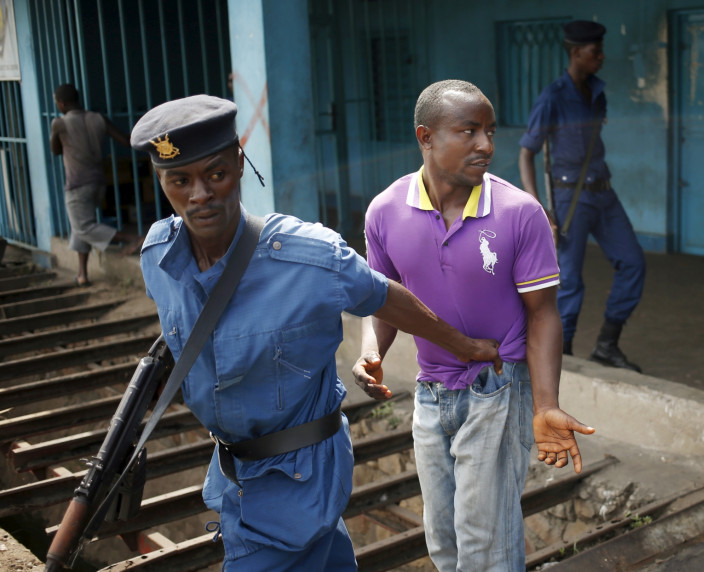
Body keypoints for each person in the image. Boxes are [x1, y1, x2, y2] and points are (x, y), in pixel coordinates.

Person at [130, 94, 502, 571]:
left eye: (216, 175)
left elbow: (386, 296)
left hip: (301, 477)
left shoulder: (307, 256)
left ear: (240, 164)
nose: (200, 194)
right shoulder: (158, 256)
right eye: (180, 181)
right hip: (233, 475)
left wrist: (465, 346)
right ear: (162, 182)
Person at [352, 80, 595, 572]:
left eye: (489, 131)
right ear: (426, 136)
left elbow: (544, 313)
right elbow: (383, 299)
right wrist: (369, 351)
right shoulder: (385, 211)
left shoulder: (518, 213)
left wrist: (545, 404)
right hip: (430, 392)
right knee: (443, 540)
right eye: (469, 131)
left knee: (485, 546)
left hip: (498, 388)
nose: (486, 144)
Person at [518, 20, 646, 372]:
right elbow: (527, 152)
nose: (601, 57)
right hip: (570, 198)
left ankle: (607, 345)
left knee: (633, 263)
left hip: (604, 194)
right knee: (570, 280)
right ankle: (566, 355)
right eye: (595, 52)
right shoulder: (553, 97)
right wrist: (538, 206)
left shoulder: (597, 91)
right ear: (576, 53)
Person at [50, 83, 143, 286]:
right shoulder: (98, 118)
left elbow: (55, 150)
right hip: (98, 182)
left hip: (77, 183)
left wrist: (56, 132)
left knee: (82, 226)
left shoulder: (60, 123)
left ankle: (132, 238)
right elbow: (126, 141)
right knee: (80, 226)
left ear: (62, 103)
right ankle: (82, 274)